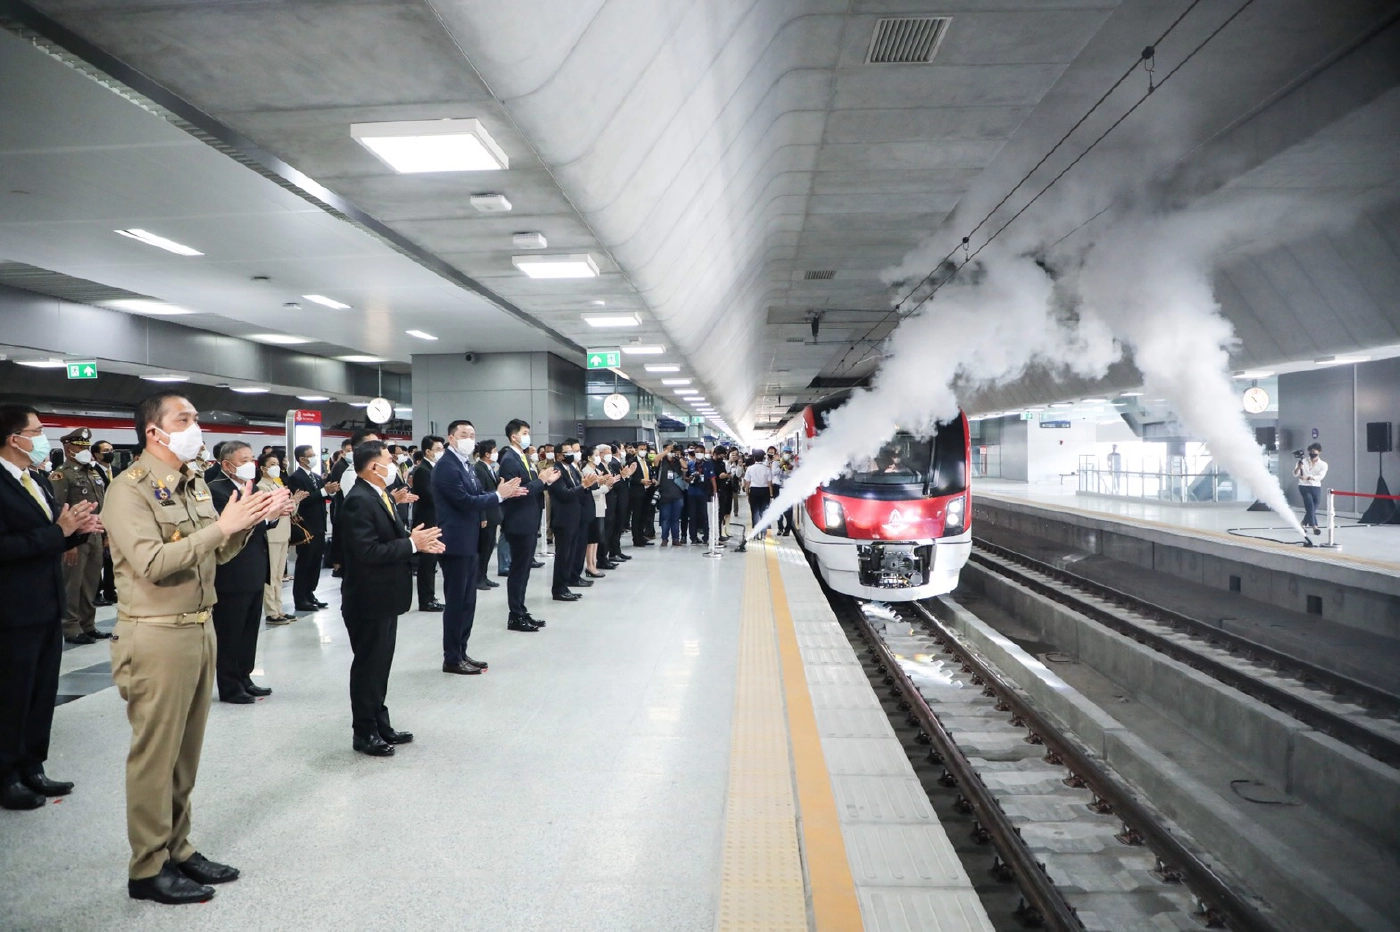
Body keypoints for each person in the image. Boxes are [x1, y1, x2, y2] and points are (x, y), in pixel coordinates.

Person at [104, 391, 286, 904]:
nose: (195, 426)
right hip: (156, 632)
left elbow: (216, 552)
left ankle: (177, 848)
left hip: (199, 626)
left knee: (185, 755)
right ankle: (147, 868)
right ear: (153, 432)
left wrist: (246, 521)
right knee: (154, 757)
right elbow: (154, 563)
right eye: (183, 419)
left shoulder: (189, 484)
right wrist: (221, 529)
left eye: (196, 418)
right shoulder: (129, 490)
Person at [1, 405, 101, 811]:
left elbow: (46, 537)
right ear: (14, 439)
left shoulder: (35, 479)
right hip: (12, 609)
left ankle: (33, 765)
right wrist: (57, 532)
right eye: (37, 431)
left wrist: (74, 535)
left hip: (45, 603)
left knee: (42, 691)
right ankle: (7, 775)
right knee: (12, 694)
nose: (42, 438)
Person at [337, 441, 443, 756]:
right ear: (373, 466)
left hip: (385, 596)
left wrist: (417, 543)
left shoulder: (380, 494)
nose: (393, 463)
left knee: (380, 665)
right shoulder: (358, 500)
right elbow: (367, 551)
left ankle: (380, 722)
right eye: (388, 459)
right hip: (368, 599)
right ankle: (364, 732)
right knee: (368, 666)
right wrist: (412, 544)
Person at [434, 421, 523, 674]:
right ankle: (452, 657)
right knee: (456, 602)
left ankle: (461, 651)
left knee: (467, 601)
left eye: (472, 435)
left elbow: (475, 494)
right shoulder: (446, 467)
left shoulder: (466, 464)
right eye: (464, 435)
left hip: (469, 539)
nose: (469, 439)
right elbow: (464, 500)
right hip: (455, 541)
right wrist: (499, 495)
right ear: (451, 438)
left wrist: (500, 494)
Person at [208, 442, 287, 703]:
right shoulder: (218, 491)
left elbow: (261, 523)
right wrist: (266, 517)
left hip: (253, 567)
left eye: (252, 459)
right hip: (232, 570)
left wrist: (273, 515)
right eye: (243, 459)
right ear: (227, 464)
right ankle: (230, 685)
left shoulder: (247, 488)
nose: (250, 464)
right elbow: (232, 528)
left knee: (249, 628)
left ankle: (245, 676)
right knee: (230, 630)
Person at [49, 427, 111, 644]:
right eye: (79, 447)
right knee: (72, 584)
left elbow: (102, 505)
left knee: (91, 582)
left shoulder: (92, 473)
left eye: (86, 447)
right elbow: (58, 509)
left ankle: (88, 624)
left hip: (94, 534)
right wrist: (68, 543)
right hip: (75, 537)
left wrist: (105, 535)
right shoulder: (61, 475)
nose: (85, 451)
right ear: (68, 450)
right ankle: (70, 626)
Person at [496, 419, 560, 630]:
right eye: (524, 432)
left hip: (529, 519)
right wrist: (541, 481)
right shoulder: (509, 460)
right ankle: (515, 615)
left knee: (524, 570)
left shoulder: (522, 457)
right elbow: (518, 492)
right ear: (514, 436)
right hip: (518, 521)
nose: (527, 436)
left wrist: (544, 480)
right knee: (518, 570)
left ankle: (521, 610)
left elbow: (531, 484)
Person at [286, 445, 333, 612]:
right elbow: (302, 500)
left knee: (314, 563)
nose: (314, 457)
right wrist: (322, 492)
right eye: (311, 455)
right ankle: (300, 598)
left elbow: (321, 495)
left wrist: (329, 491)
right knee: (304, 562)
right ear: (302, 459)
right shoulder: (296, 478)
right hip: (305, 527)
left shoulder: (315, 476)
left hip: (319, 526)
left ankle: (310, 593)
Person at [258, 451, 298, 625]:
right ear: (263, 468)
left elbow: (290, 511)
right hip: (272, 534)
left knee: (278, 576)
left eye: (277, 464)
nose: (276, 467)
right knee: (271, 575)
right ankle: (271, 611)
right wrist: (288, 501)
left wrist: (295, 500)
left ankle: (279, 608)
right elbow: (270, 510)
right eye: (272, 464)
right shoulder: (262, 487)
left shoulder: (277, 485)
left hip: (284, 533)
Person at [410, 435, 446, 612]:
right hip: (427, 521)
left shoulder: (434, 468)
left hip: (435, 520)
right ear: (428, 451)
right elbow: (430, 496)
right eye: (438, 450)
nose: (441, 453)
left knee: (432, 563)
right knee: (427, 563)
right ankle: (426, 600)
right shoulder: (422, 470)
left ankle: (431, 596)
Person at [473, 440, 503, 591]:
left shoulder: (489, 468)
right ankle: (478, 578)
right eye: (494, 450)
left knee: (489, 546)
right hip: (486, 514)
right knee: (483, 547)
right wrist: (482, 516)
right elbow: (480, 493)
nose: (496, 453)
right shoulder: (478, 469)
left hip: (493, 513)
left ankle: (483, 576)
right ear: (486, 454)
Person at [93, 439, 120, 606]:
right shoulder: (92, 471)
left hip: (117, 520)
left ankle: (110, 590)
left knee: (113, 559)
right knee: (98, 561)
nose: (110, 453)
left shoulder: (117, 471)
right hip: (100, 520)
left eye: (111, 449)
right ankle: (96, 592)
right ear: (96, 454)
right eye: (106, 451)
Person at [742, 452, 774, 549]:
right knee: (763, 513)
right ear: (763, 458)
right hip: (765, 492)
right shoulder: (767, 469)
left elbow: (747, 483)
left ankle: (755, 534)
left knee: (754, 513)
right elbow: (769, 483)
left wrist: (747, 494)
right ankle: (764, 534)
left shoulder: (750, 469)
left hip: (754, 491)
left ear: (754, 458)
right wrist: (771, 495)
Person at [655, 444, 686, 546]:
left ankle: (676, 539)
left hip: (678, 495)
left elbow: (685, 467)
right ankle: (664, 539)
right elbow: (655, 460)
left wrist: (679, 457)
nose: (670, 452)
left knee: (676, 519)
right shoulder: (662, 462)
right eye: (669, 450)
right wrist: (665, 452)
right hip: (665, 495)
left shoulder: (678, 462)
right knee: (665, 518)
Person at [1294, 443, 1328, 535]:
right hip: (1304, 486)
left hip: (1316, 487)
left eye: (1314, 451)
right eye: (1310, 451)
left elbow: (1320, 476)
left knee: (1313, 507)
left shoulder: (1323, 464)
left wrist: (1308, 477)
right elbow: (1295, 474)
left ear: (1319, 452)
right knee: (1310, 505)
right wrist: (1298, 468)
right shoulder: (1303, 461)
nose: (1312, 453)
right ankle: (1315, 527)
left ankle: (1302, 524)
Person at [630, 441, 657, 547]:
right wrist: (640, 481)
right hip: (637, 492)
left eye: (645, 449)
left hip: (647, 491)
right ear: (636, 450)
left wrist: (652, 480)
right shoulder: (632, 462)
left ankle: (642, 536)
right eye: (641, 449)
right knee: (637, 516)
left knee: (644, 515)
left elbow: (650, 474)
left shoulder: (647, 462)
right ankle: (636, 539)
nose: (643, 451)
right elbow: (630, 478)